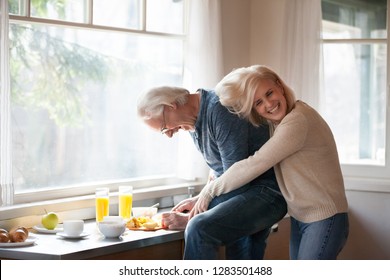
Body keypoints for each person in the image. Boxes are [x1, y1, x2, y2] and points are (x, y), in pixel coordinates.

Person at [191, 65, 349, 260]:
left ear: (280, 86)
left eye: (269, 93)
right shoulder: (279, 123)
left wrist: (209, 191)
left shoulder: (297, 120)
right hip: (302, 217)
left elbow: (254, 164)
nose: (268, 104)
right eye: (258, 102)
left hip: (325, 218)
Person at [137, 86, 287, 260]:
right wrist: (199, 199)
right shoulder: (191, 122)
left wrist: (193, 216)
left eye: (164, 127)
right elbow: (219, 171)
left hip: (267, 192)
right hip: (242, 192)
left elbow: (235, 178)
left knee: (197, 228)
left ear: (171, 105)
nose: (169, 134)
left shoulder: (220, 108)